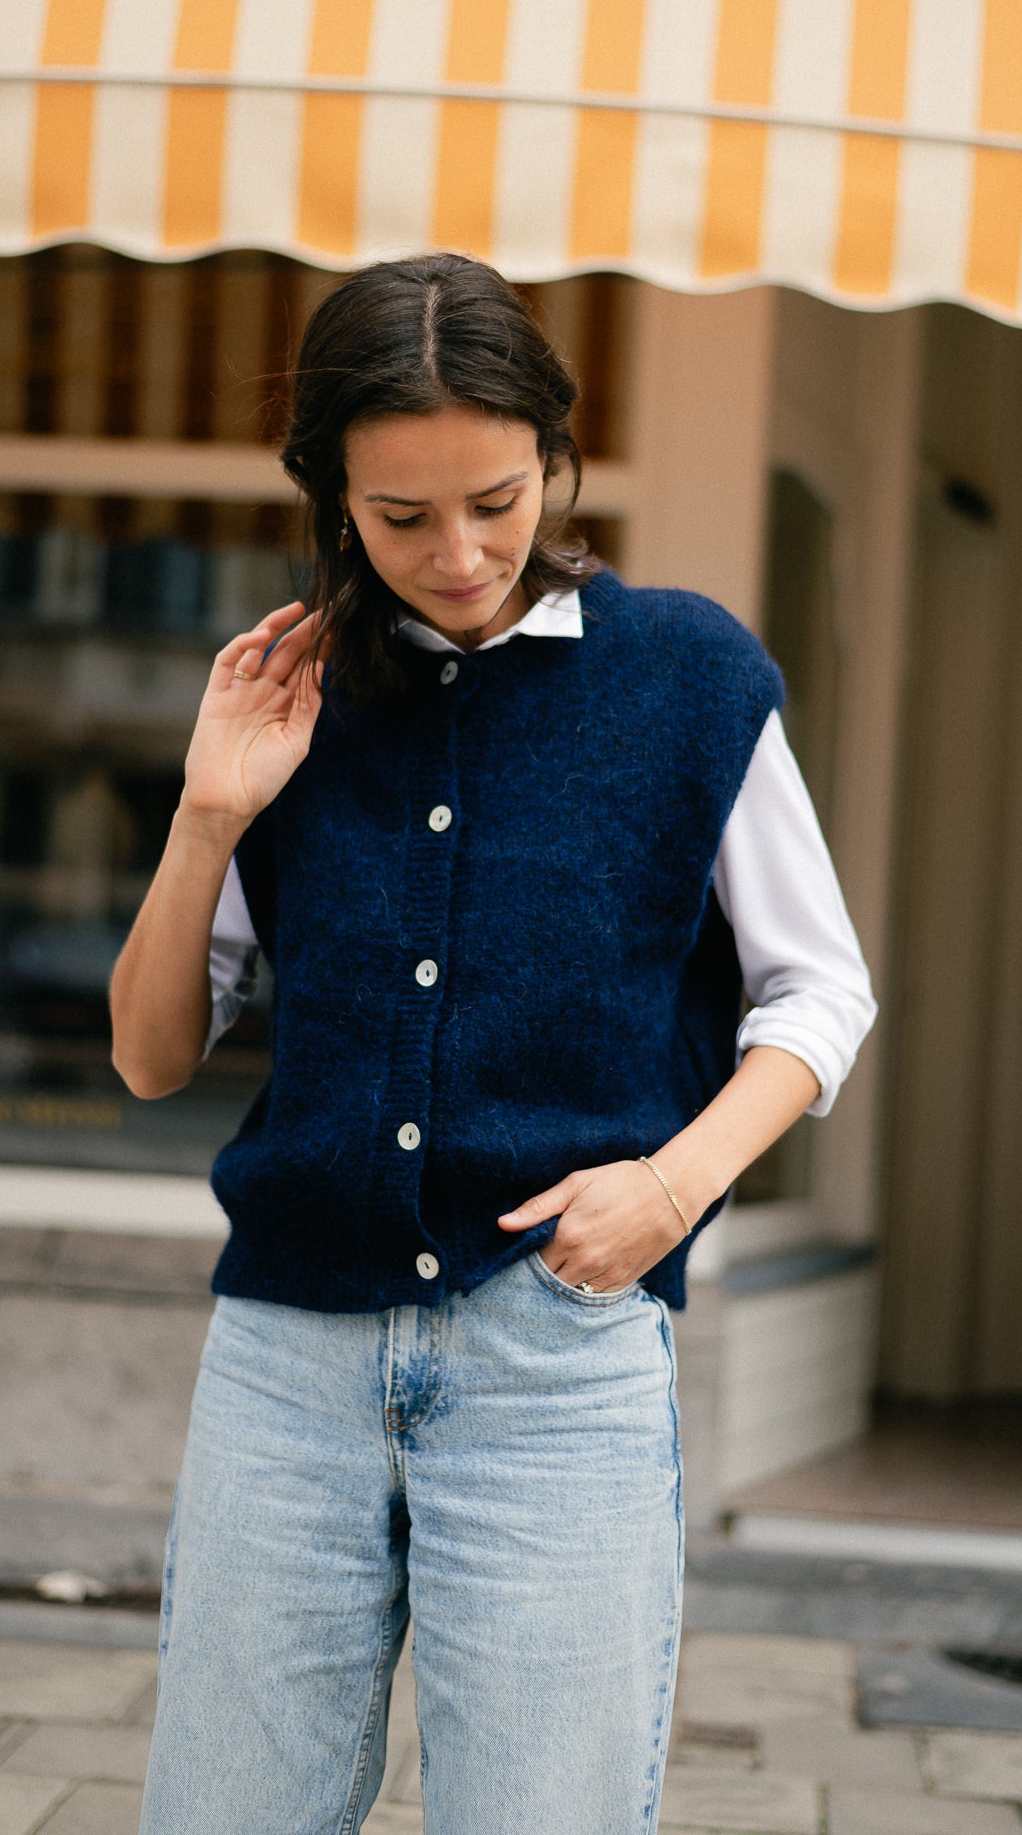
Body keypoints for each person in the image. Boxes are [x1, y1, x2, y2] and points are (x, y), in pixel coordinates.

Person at [111, 253, 875, 1834]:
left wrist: (672, 1188)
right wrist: (207, 815)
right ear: (329, 497)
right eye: (399, 518)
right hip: (286, 1370)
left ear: (554, 457)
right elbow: (149, 1056)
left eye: (496, 498)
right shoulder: (294, 698)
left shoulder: (686, 678)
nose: (457, 553)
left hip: (554, 1359)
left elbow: (817, 993)